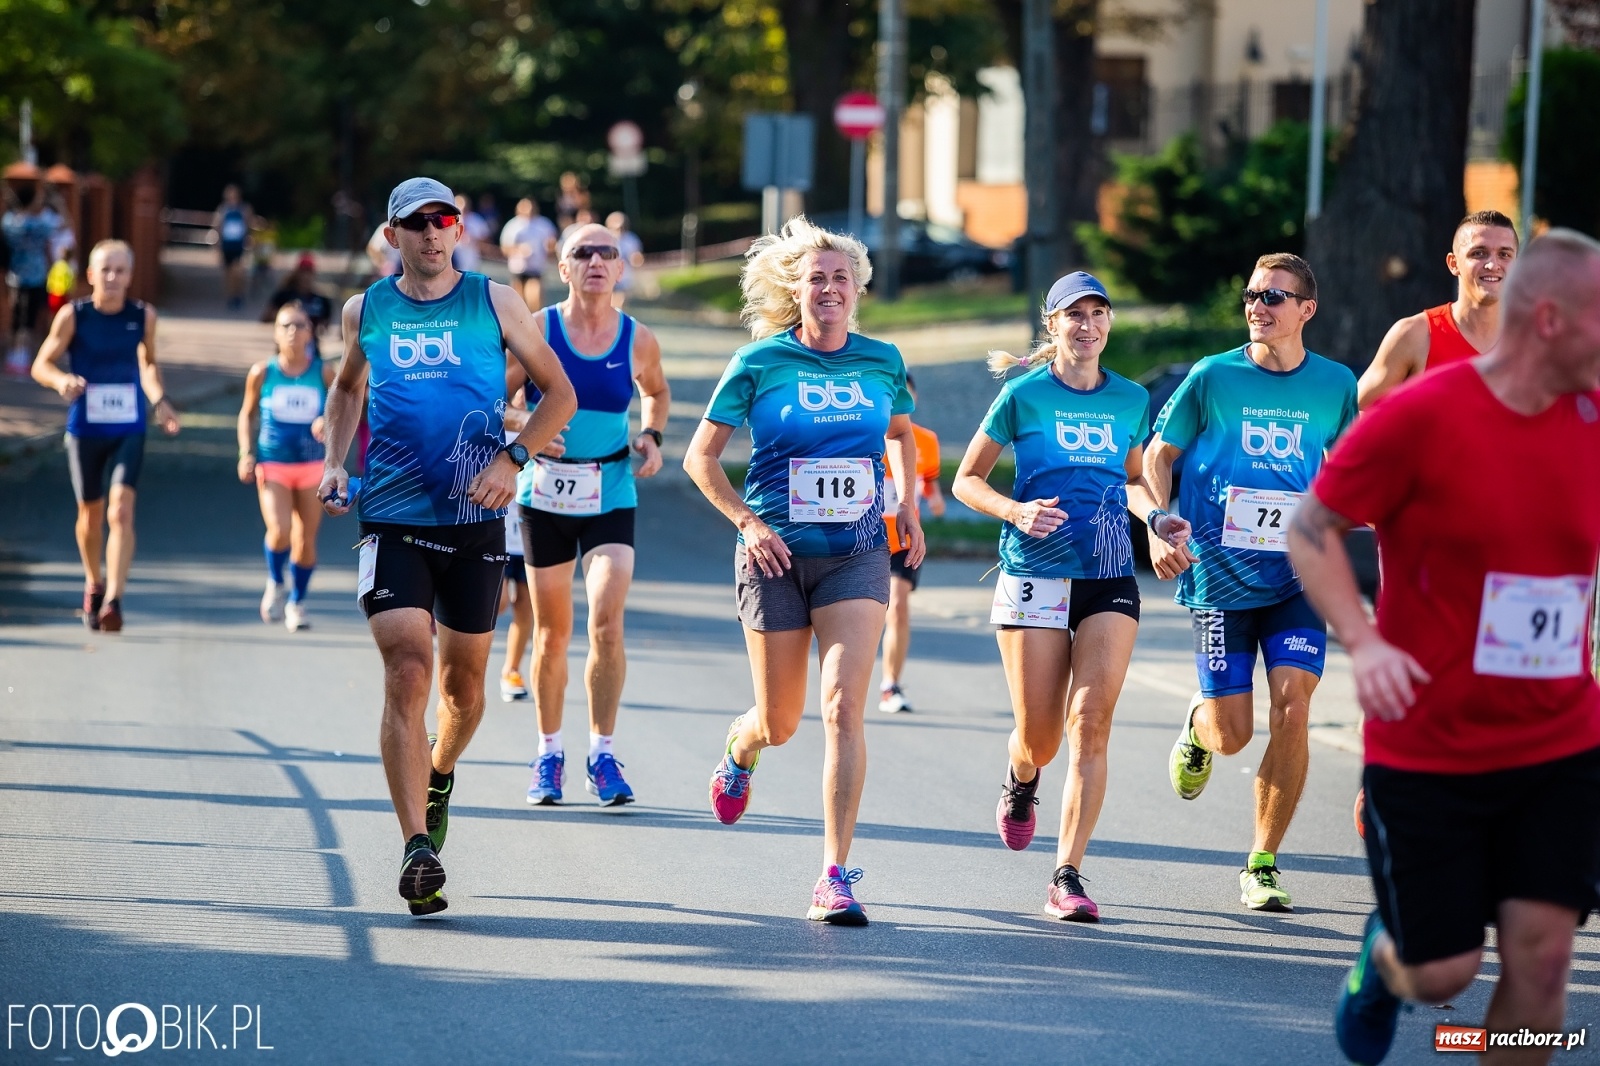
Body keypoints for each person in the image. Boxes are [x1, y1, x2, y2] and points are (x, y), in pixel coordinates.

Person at [1286, 229, 1600, 1066]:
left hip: (1558, 737)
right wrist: (1363, 639)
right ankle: (1386, 964)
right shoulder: (1427, 411)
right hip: (1430, 738)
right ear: (1550, 320)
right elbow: (1311, 525)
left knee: (1540, 960)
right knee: (1442, 969)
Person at [318, 177, 576, 917]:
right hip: (392, 514)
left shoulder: (495, 303)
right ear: (392, 235)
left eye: (444, 221)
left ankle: (439, 773)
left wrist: (513, 459)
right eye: (416, 223)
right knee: (408, 667)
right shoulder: (364, 310)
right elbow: (346, 390)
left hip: (473, 522)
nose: (432, 234)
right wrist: (337, 462)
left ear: (458, 231)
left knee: (464, 690)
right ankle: (415, 849)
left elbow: (560, 394)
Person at [683, 215, 926, 926]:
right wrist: (748, 522)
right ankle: (743, 743)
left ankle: (833, 874)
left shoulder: (882, 359)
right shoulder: (759, 363)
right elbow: (701, 458)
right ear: (796, 287)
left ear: (858, 289)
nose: (828, 288)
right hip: (776, 556)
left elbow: (902, 433)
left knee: (844, 709)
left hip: (856, 552)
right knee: (783, 721)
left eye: (840, 278)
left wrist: (906, 503)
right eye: (816, 277)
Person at [954, 272, 1193, 922]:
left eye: (1098, 314)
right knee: (1040, 737)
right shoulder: (1023, 396)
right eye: (1073, 315)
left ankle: (1068, 874)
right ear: (1051, 324)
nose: (1086, 326)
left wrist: (1157, 520)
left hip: (1109, 574)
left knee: (1090, 723)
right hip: (1034, 574)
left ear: (1108, 324)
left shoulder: (1130, 397)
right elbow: (966, 479)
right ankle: (1021, 774)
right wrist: (1015, 509)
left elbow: (1135, 481)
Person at [1143, 252, 1357, 912]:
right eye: (1252, 294)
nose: (1258, 306)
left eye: (1274, 296)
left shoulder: (1335, 383)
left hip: (1295, 575)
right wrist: (1159, 521)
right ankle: (1199, 723)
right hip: (1218, 577)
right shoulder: (1213, 377)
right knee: (1232, 732)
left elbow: (1352, 467)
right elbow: (1158, 454)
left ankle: (1261, 861)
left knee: (1294, 706)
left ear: (1306, 310)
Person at [508, 222, 669, 807]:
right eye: (583, 252)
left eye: (608, 252)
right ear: (563, 266)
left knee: (606, 621)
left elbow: (656, 391)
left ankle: (602, 753)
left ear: (621, 268)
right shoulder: (538, 330)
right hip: (544, 495)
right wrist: (526, 432)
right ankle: (549, 753)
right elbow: (496, 399)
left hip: (610, 489)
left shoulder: (637, 338)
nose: (597, 260)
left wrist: (650, 435)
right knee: (552, 631)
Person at [30, 240, 181, 631]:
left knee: (120, 511)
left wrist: (160, 400)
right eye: (106, 269)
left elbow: (148, 363)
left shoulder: (142, 315)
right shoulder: (73, 316)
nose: (113, 277)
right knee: (90, 516)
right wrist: (61, 380)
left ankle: (114, 598)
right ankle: (93, 581)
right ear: (92, 275)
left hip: (129, 425)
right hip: (85, 428)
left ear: (130, 276)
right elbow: (41, 364)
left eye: (121, 270)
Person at [237, 301, 337, 632]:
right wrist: (246, 452)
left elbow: (343, 411)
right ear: (276, 333)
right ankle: (275, 581)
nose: (293, 332)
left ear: (311, 332)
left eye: (300, 325)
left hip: (311, 465)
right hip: (274, 462)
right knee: (279, 531)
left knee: (305, 539)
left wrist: (326, 420)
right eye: (286, 326)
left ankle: (297, 602)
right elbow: (247, 414)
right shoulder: (262, 372)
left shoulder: (323, 372)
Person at [1357, 210, 1519, 409]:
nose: (1493, 264)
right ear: (1453, 263)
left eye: (1504, 254)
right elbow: (1353, 413)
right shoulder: (1415, 335)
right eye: (1479, 253)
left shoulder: (1535, 345)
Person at [878, 372, 945, 714]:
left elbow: (928, 480)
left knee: (898, 606)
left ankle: (891, 684)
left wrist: (934, 499)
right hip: (866, 539)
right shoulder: (867, 437)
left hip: (904, 540)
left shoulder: (926, 441)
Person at [496, 421, 534, 703]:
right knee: (497, 603)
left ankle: (512, 670)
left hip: (530, 528)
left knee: (526, 603)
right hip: (495, 528)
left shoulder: (545, 423)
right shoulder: (496, 419)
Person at [4, 184, 56, 374]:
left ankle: (11, 356)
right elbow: (56, 234)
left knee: (15, 318)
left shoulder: (9, 222)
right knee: (29, 319)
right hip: (36, 275)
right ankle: (22, 358)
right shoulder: (40, 225)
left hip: (14, 275)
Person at [260, 254, 332, 355]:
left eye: (309, 272)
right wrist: (287, 318)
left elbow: (325, 327)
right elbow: (265, 318)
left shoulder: (321, 300)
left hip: (311, 352)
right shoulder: (284, 296)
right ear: (297, 273)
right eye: (303, 271)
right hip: (285, 349)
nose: (306, 276)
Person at [500, 198, 557, 311]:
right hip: (518, 267)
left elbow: (552, 243)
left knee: (534, 297)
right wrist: (519, 250)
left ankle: (534, 321)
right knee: (518, 300)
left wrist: (549, 248)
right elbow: (505, 247)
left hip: (536, 267)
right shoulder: (513, 225)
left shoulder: (543, 224)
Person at [213, 184, 254, 310]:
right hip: (227, 245)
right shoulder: (223, 209)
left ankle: (238, 295)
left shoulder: (244, 209)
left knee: (238, 271)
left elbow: (249, 224)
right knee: (228, 273)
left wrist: (249, 239)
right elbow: (217, 225)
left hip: (238, 245)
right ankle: (231, 297)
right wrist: (217, 243)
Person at [604, 211, 645, 310]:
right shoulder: (605, 239)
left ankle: (616, 320)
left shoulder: (631, 239)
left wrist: (635, 259)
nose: (619, 230)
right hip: (607, 275)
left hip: (624, 277)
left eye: (621, 227)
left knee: (620, 302)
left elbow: (638, 258)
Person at [451, 194, 489, 274]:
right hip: (454, 258)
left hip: (472, 259)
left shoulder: (476, 220)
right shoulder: (450, 220)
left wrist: (473, 240)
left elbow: (486, 240)